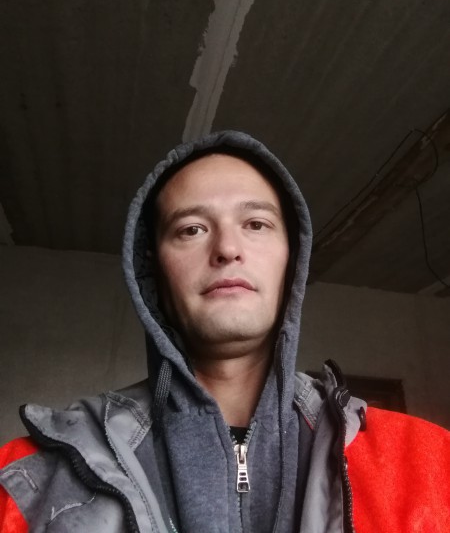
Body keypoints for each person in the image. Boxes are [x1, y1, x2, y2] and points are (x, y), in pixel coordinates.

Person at [0, 130, 449, 533]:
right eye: (191, 229)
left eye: (256, 224)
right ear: (153, 273)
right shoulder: (28, 480)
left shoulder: (430, 462)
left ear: (291, 259)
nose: (227, 248)